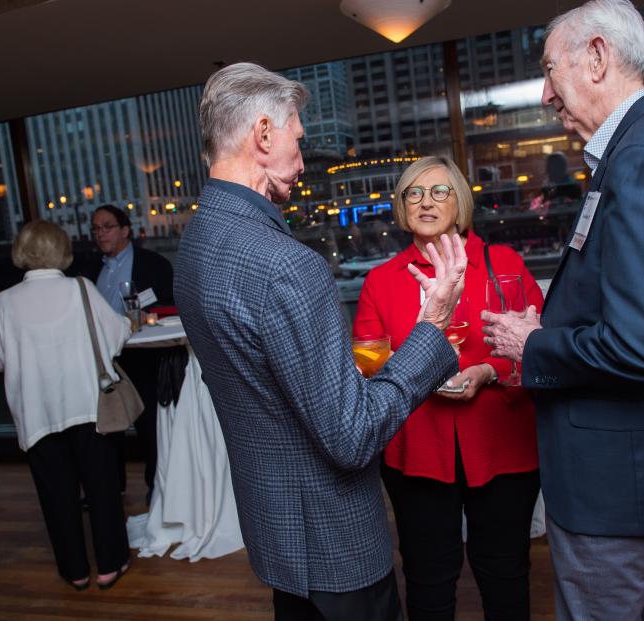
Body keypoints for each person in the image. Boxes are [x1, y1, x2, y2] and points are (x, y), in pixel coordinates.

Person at [174, 62, 467, 621]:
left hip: (276, 527)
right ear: (263, 134)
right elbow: (352, 437)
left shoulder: (198, 244)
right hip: (333, 538)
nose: (303, 163)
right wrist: (431, 329)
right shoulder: (287, 266)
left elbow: (258, 377)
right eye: (298, 140)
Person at [481, 1, 644, 619]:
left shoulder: (642, 157)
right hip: (630, 464)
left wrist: (533, 343)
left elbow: (639, 346)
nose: (546, 92)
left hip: (613, 477)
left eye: (550, 70)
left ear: (597, 57)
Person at [353, 155, 543, 620]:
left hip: (502, 446)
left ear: (460, 200)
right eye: (413, 193)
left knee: (504, 571)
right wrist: (410, 366)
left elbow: (539, 344)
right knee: (427, 575)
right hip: (416, 451)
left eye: (439, 191)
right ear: (401, 207)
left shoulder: (504, 265)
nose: (426, 202)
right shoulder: (381, 280)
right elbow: (365, 355)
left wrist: (487, 372)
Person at [0, 221, 131, 590]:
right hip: (88, 406)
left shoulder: (4, 301)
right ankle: (110, 565)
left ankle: (76, 571)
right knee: (102, 490)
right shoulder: (80, 288)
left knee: (57, 496)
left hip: (37, 415)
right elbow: (114, 338)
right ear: (61, 250)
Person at [82, 204, 174, 504]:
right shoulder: (87, 270)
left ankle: (155, 487)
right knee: (106, 427)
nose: (100, 233)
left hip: (142, 355)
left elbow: (170, 306)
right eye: (96, 228)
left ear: (125, 230)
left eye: (106, 226)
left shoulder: (154, 264)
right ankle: (112, 487)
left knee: (148, 426)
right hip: (104, 359)